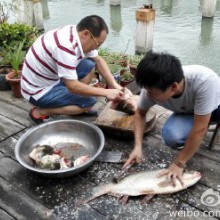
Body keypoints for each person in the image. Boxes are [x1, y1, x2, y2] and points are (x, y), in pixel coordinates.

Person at [124, 52, 220, 186]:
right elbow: (140, 114)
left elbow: (200, 128)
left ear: (174, 87)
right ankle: (198, 121)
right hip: (189, 110)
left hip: (216, 108)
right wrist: (138, 146)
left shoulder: (204, 81)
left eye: (153, 93)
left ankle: (205, 121)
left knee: (200, 127)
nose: (148, 95)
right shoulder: (152, 87)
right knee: (171, 137)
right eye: (147, 91)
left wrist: (179, 163)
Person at [21, 15, 132, 124]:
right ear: (86, 34)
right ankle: (40, 111)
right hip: (38, 91)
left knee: (90, 64)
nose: (97, 48)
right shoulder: (64, 46)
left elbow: (98, 60)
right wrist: (106, 92)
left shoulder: (76, 33)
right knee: (89, 102)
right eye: (98, 44)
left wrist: (115, 85)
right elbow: (73, 87)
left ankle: (77, 103)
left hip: (52, 78)